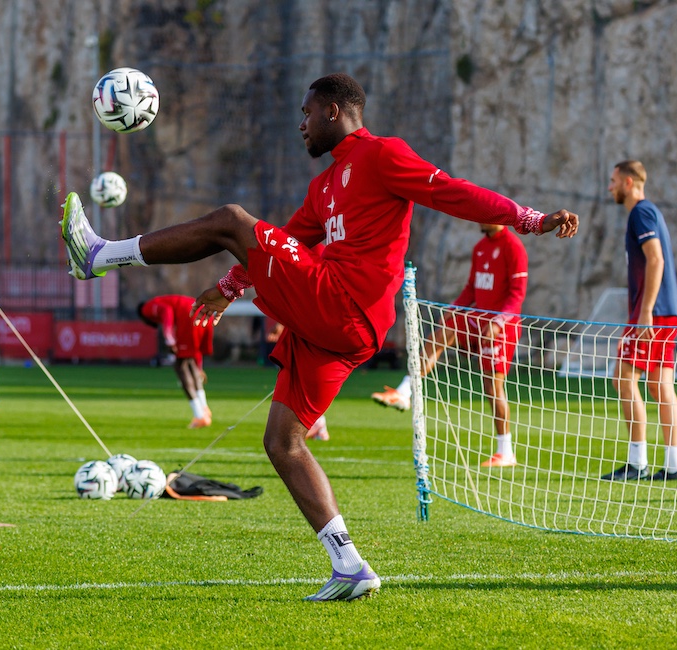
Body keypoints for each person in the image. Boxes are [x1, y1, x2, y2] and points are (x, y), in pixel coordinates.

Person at [60, 72, 578, 601]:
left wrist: (529, 219)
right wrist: (227, 285)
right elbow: (285, 242)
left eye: (307, 114)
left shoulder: (381, 155)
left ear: (333, 110)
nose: (300, 126)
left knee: (232, 219)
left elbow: (453, 193)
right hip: (336, 326)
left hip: (343, 303)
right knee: (282, 443)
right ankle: (350, 566)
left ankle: (101, 255)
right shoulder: (325, 186)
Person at [371, 223, 528, 467]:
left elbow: (517, 295)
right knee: (447, 328)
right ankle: (404, 391)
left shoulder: (513, 247)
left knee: (492, 388)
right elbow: (471, 289)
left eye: (483, 217)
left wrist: (499, 322)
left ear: (497, 219)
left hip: (501, 326)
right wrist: (453, 309)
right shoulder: (480, 248)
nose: (478, 220)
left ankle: (505, 452)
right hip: (477, 319)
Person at [601, 161, 677, 482]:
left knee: (623, 377)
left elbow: (656, 259)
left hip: (652, 313)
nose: (610, 187)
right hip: (663, 311)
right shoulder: (649, 213)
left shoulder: (641, 213)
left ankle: (637, 463)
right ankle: (672, 467)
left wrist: (645, 311)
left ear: (629, 182)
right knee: (659, 386)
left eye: (613, 181)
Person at [137, 295, 215, 428]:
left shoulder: (146, 309)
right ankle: (204, 408)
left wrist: (169, 339)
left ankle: (199, 415)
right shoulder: (163, 300)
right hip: (204, 314)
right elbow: (196, 352)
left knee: (181, 366)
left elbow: (166, 311)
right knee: (190, 362)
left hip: (190, 317)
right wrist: (199, 367)